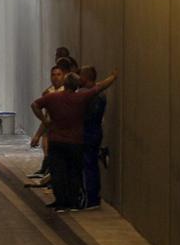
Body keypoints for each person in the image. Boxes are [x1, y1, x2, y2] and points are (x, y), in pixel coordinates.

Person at [32, 69, 119, 212]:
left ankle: (61, 202)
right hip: (75, 141)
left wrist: (45, 121)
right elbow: (99, 87)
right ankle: (73, 202)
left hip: (56, 140)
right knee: (74, 172)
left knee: (58, 172)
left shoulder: (52, 97)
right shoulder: (81, 98)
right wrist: (113, 77)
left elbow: (35, 105)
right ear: (76, 85)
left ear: (65, 84)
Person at [28, 64, 68, 185]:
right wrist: (38, 135)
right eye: (53, 75)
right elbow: (46, 117)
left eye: (59, 74)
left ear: (64, 76)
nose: (56, 77)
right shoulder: (48, 93)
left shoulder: (68, 92)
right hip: (53, 133)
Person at [79, 66, 108, 209]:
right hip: (95, 131)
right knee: (91, 164)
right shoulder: (100, 94)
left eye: (81, 76)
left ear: (86, 77)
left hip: (88, 132)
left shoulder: (88, 95)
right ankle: (93, 196)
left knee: (88, 164)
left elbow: (86, 115)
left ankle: (90, 197)